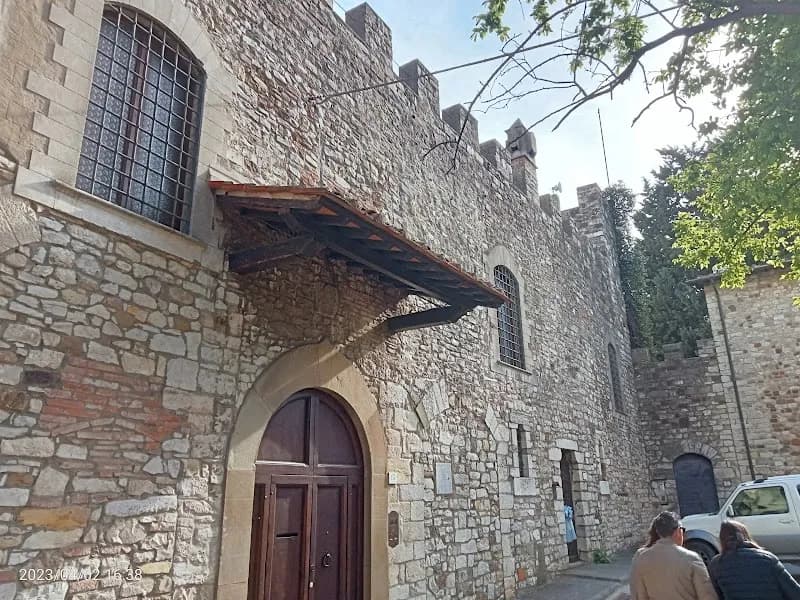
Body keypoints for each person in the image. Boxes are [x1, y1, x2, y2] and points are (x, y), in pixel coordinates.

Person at [630, 511, 717, 600]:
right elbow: (707, 596)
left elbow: (638, 595)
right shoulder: (691, 559)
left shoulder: (641, 559)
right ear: (678, 531)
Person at [707, 520, 800, 600]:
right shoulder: (768, 558)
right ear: (745, 536)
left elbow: (716, 595)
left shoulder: (716, 564)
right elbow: (794, 592)